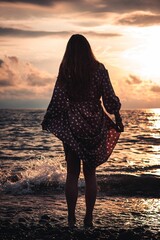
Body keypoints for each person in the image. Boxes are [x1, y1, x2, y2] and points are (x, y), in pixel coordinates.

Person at [41, 34, 124, 228]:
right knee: (90, 173)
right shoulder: (99, 69)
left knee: (72, 173)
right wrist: (118, 118)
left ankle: (71, 219)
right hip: (94, 122)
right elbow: (110, 99)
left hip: (72, 123)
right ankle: (88, 218)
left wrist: (48, 119)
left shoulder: (66, 70)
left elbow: (59, 100)